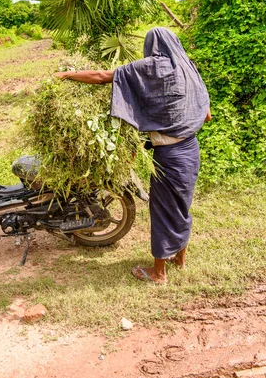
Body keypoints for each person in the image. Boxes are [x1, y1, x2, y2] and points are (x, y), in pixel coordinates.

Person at [55, 27, 211, 285]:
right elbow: (206, 114)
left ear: (152, 45)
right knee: (181, 207)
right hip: (191, 150)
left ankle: (158, 273)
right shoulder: (188, 69)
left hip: (169, 156)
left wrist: (68, 74)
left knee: (162, 209)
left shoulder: (151, 67)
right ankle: (180, 260)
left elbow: (103, 75)